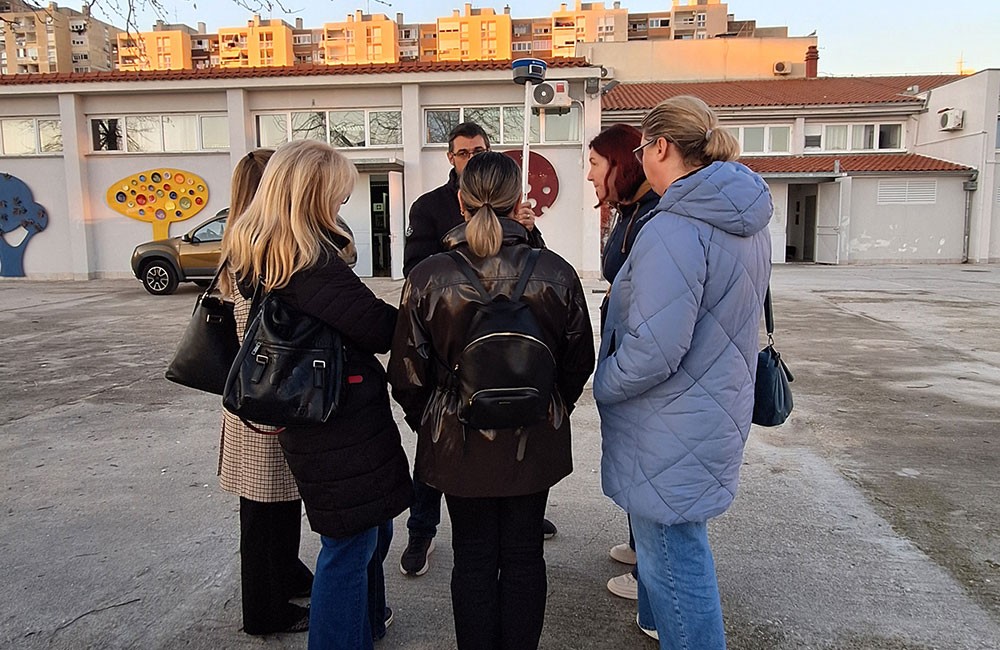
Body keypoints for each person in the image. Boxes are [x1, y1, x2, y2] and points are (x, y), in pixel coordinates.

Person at [388, 151, 595, 650]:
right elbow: (579, 360)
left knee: (473, 557)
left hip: (457, 441)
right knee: (524, 556)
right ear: (517, 200)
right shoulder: (556, 272)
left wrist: (436, 417)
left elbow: (407, 374)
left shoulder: (428, 276)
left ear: (460, 201)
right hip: (534, 437)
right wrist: (547, 406)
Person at [594, 95, 772, 649]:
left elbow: (654, 349)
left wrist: (604, 381)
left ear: (661, 147)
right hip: (710, 407)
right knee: (676, 548)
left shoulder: (674, 227)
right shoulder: (742, 218)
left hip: (668, 419)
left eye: (643, 149)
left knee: (674, 560)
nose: (641, 160)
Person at [221, 139, 413, 650]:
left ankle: (366, 625)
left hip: (320, 418)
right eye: (337, 194)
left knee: (360, 538)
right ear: (311, 194)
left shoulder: (268, 251)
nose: (342, 204)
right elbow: (378, 327)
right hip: (337, 425)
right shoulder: (308, 264)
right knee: (349, 547)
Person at [399, 122, 553, 579]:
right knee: (438, 452)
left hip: (514, 361)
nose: (470, 157)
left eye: (477, 150)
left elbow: (543, 280)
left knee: (512, 451)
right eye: (462, 152)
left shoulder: (518, 216)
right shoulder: (430, 207)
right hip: (454, 355)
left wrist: (525, 232)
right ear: (451, 159)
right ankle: (422, 529)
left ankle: (520, 508)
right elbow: (416, 271)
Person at [217, 148, 314, 636]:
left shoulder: (240, 239)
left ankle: (286, 573)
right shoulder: (260, 246)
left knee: (277, 497)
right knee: (261, 507)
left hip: (253, 391)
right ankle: (263, 609)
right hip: (262, 393)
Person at [586, 123, 661, 606]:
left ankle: (650, 574)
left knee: (646, 455)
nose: (589, 174)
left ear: (620, 163)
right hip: (623, 346)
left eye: (595, 164)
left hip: (638, 358)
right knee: (633, 453)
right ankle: (640, 544)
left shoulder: (654, 217)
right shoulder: (629, 211)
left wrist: (614, 374)